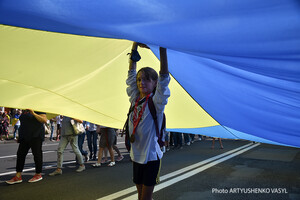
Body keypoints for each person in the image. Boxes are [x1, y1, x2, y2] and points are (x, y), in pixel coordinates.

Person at [126, 42, 170, 200]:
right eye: (139, 80)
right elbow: (131, 74)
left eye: (146, 80)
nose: (140, 83)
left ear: (155, 83)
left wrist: (162, 48)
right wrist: (134, 47)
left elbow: (164, 78)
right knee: (141, 197)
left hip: (150, 158)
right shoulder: (135, 100)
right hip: (136, 156)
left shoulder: (156, 102)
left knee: (145, 198)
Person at [6, 109, 47, 184]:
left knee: (37, 154)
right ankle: (18, 176)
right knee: (20, 154)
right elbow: (23, 124)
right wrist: (20, 135)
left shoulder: (39, 108)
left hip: (36, 135)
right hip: (25, 136)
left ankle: (38, 174)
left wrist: (33, 113)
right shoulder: (24, 110)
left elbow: (44, 120)